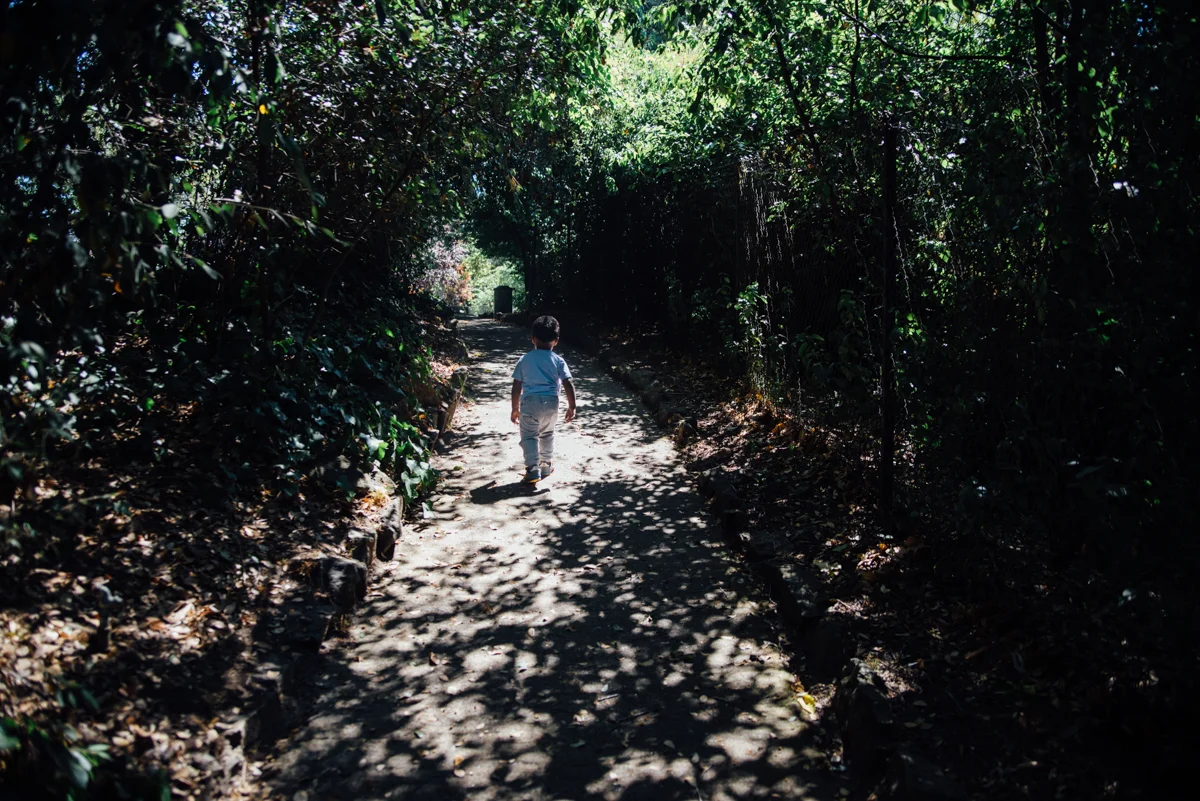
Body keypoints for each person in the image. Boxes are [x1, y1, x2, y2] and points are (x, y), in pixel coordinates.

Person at [510, 315, 577, 483]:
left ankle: (533, 469)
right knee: (547, 433)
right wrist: (572, 406)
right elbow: (568, 384)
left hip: (530, 403)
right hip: (551, 403)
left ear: (533, 339)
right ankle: (546, 465)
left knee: (530, 436)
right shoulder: (559, 361)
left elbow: (516, 386)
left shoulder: (524, 359)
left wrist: (515, 408)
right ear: (556, 340)